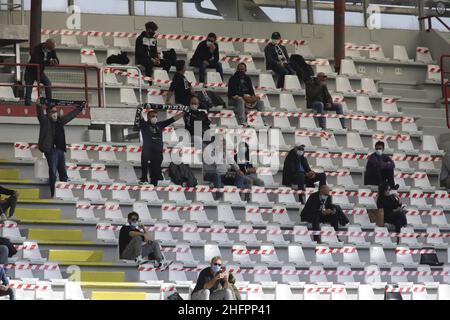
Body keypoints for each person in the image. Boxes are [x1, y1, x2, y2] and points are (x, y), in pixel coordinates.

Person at [36, 102, 85, 198]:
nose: (55, 113)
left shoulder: (60, 121)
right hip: (50, 151)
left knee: (63, 174)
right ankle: (53, 194)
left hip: (60, 150)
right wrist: (38, 106)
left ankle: (64, 193)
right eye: (53, 111)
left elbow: (70, 116)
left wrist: (80, 108)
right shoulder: (45, 121)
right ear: (48, 113)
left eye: (56, 111)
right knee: (53, 173)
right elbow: (40, 114)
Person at [138, 108, 184, 185]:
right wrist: (139, 108)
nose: (154, 118)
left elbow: (172, 119)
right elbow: (140, 115)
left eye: (156, 116)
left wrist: (183, 113)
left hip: (158, 153)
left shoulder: (159, 124)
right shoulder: (144, 124)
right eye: (152, 116)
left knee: (155, 174)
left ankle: (154, 183)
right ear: (148, 117)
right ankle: (144, 179)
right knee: (145, 167)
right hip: (147, 151)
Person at [24, 39, 59, 106]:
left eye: (51, 49)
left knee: (48, 83)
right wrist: (48, 62)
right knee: (29, 87)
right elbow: (36, 61)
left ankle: (49, 102)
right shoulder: (37, 48)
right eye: (49, 49)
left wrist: (55, 62)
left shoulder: (52, 50)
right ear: (45, 45)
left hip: (40, 71)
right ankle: (28, 104)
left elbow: (56, 59)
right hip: (30, 71)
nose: (49, 50)